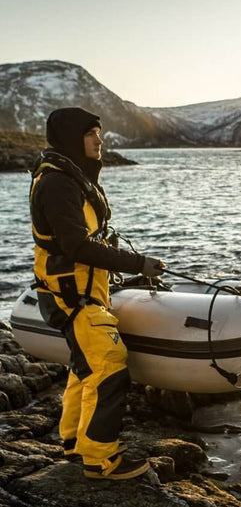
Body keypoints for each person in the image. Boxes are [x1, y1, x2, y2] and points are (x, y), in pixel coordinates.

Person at [30, 107, 165, 479]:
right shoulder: (57, 184)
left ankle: (74, 442)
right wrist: (138, 264)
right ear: (74, 138)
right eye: (91, 133)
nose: (99, 139)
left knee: (85, 367)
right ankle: (101, 460)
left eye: (99, 133)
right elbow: (77, 247)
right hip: (71, 297)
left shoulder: (70, 178)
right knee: (109, 365)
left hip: (80, 292)